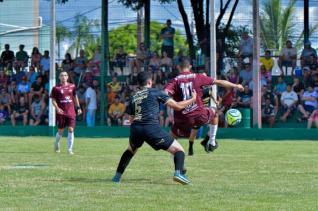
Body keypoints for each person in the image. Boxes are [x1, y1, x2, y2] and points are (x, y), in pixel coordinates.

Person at [112, 71, 197, 184]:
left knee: (130, 150)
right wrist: (193, 99)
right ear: (149, 82)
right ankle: (178, 173)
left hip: (135, 129)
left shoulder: (133, 97)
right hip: (150, 128)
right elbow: (177, 106)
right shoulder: (156, 92)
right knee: (179, 150)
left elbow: (131, 119)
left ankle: (116, 177)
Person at [165, 58, 244, 156]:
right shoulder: (198, 77)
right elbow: (219, 82)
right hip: (199, 115)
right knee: (215, 113)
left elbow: (164, 95)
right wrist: (236, 86)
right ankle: (211, 142)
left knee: (171, 139)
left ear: (178, 67)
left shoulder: (174, 81)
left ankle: (177, 162)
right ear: (190, 66)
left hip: (182, 118)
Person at [50, 71, 82, 155]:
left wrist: (78, 107)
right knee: (60, 130)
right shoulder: (56, 88)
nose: (63, 77)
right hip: (61, 112)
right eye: (61, 75)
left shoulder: (72, 86)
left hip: (71, 112)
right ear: (59, 77)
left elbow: (75, 97)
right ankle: (56, 143)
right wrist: (57, 108)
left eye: (65, 75)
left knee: (71, 129)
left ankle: (69, 149)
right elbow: (53, 100)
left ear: (67, 77)